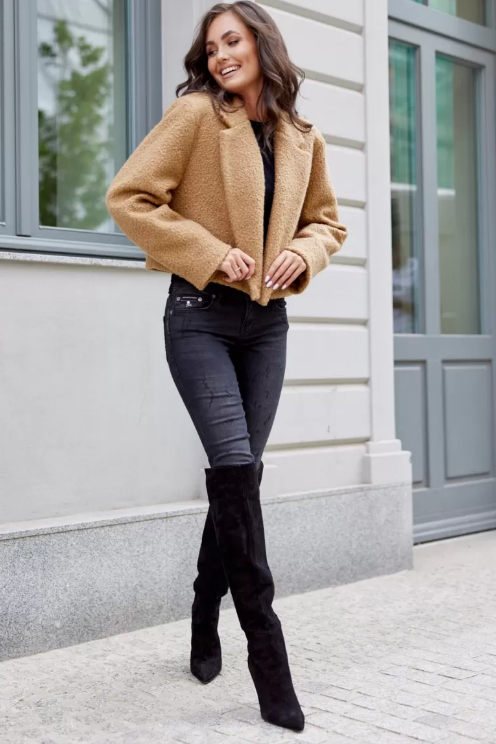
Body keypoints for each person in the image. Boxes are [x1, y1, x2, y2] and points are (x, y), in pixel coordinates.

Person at [106, 0, 347, 732]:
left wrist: (302, 254)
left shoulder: (302, 137)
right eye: (211, 47)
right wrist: (211, 253)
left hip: (266, 327)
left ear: (262, 45)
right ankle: (270, 662)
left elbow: (327, 222)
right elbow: (129, 197)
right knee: (237, 472)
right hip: (199, 317)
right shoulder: (194, 117)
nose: (220, 56)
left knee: (237, 482)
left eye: (232, 41)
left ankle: (204, 609)